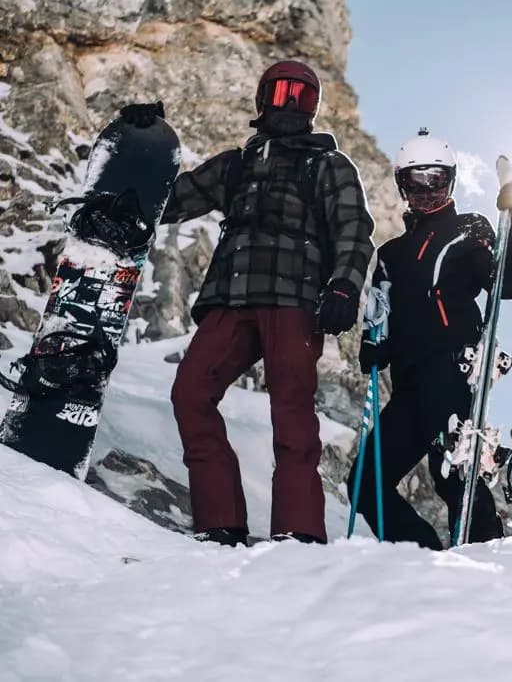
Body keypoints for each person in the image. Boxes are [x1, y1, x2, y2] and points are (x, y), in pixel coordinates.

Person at [119, 60, 375, 547]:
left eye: (301, 97)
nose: (289, 105)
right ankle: (221, 522)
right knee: (191, 392)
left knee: (292, 412)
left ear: (315, 109)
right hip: (231, 299)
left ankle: (297, 533)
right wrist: (140, 147)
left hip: (293, 300)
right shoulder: (236, 164)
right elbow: (168, 200)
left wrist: (343, 286)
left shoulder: (327, 165)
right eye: (280, 93)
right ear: (262, 100)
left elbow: (353, 230)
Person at [347, 129, 512, 549]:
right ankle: (425, 562)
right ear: (402, 185)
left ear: (450, 181)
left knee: (453, 472)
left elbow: (510, 282)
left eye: (436, 179)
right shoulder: (391, 254)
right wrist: (373, 343)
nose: (427, 190)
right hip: (409, 383)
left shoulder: (468, 229)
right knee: (365, 482)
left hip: (452, 368)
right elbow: (382, 311)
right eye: (416, 181)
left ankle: (486, 558)